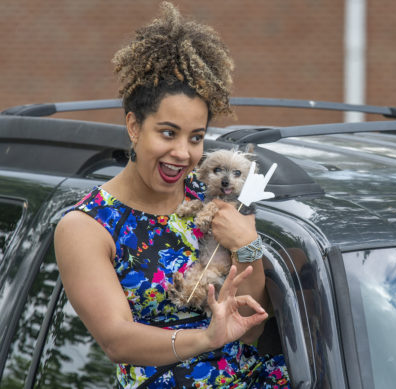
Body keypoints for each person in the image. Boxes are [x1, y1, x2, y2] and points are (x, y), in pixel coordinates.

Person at [54, 2, 289, 388]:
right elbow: (116, 339)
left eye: (196, 137)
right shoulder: (88, 226)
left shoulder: (215, 194)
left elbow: (249, 329)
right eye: (168, 133)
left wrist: (248, 244)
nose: (183, 152)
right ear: (133, 126)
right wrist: (207, 338)